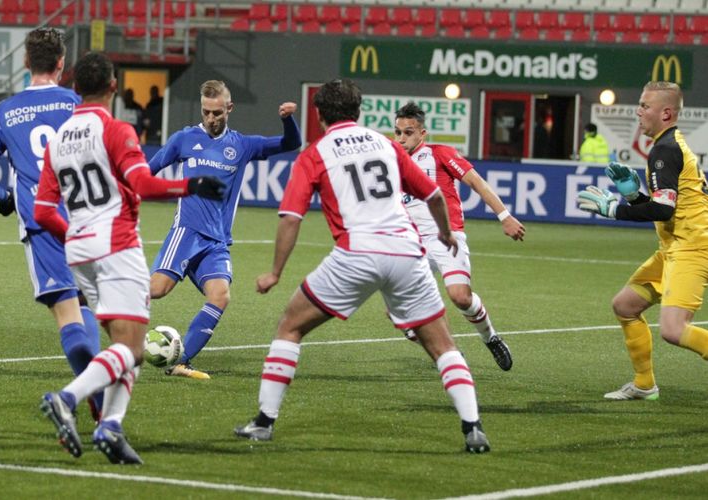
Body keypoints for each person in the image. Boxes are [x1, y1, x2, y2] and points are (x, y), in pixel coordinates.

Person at [234, 79, 490, 454]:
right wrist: (445, 233)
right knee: (443, 345)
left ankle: (264, 422)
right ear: (359, 112)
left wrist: (274, 271)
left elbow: (291, 217)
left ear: (319, 114)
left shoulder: (316, 153)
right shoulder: (385, 143)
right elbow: (433, 193)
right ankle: (473, 429)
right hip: (407, 252)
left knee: (290, 326)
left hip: (356, 253)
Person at [34, 51, 225, 464]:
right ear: (114, 87)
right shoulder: (116, 129)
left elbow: (42, 211)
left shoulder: (59, 138)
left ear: (74, 88)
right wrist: (191, 186)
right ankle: (67, 399)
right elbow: (142, 183)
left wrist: (78, 234)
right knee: (133, 348)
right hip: (116, 246)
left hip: (79, 251)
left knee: (125, 344)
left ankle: (111, 427)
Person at [0, 28, 104, 421]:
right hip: (86, 219)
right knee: (88, 309)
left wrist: (5, 200)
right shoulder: (78, 104)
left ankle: (93, 398)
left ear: (26, 62)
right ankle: (100, 395)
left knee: (67, 314)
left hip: (42, 224)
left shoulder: (2, 112)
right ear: (62, 64)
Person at [148, 79, 301, 379]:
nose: (211, 119)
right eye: (206, 112)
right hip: (186, 232)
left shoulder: (241, 146)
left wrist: (288, 120)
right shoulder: (184, 139)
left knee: (220, 295)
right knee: (156, 290)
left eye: (217, 113)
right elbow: (147, 170)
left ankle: (181, 362)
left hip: (216, 242)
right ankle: (102, 298)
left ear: (229, 108)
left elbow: (290, 144)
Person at [576, 81, 708, 400]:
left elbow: (663, 210)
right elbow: (665, 205)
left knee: (674, 330)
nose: (638, 111)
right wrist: (634, 196)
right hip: (674, 248)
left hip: (692, 248)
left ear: (665, 113)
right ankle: (644, 385)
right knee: (625, 305)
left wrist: (615, 209)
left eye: (645, 106)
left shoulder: (666, 149)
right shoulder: (666, 145)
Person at [394, 102, 525, 371]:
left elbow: (476, 181)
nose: (402, 138)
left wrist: (505, 216)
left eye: (408, 132)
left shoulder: (440, 154)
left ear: (422, 133)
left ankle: (491, 338)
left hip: (446, 237)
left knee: (460, 297)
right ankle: (450, 353)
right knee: (400, 313)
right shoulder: (392, 163)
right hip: (411, 245)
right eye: (398, 132)